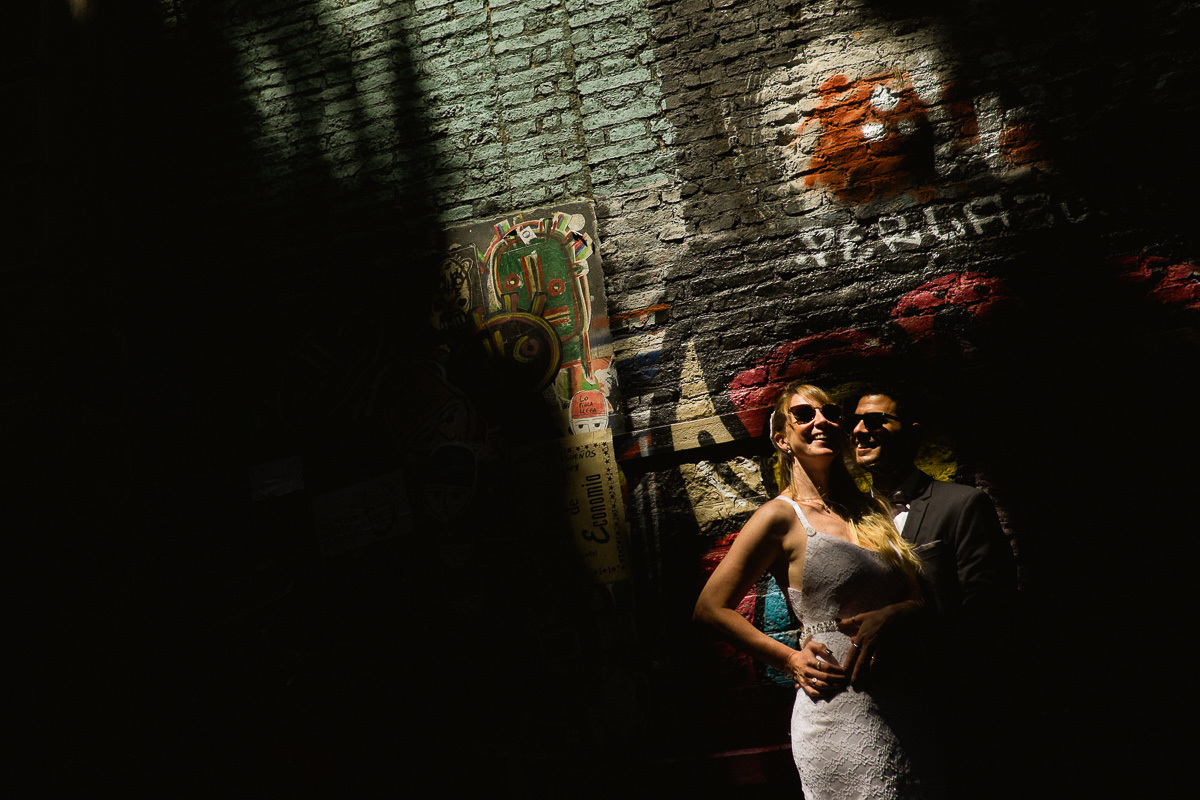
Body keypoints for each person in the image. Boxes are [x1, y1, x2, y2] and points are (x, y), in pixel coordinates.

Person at [693, 382, 944, 799]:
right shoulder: (779, 516)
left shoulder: (873, 510)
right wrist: (790, 658)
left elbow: (917, 598)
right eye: (804, 415)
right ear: (782, 439)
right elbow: (709, 608)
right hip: (836, 710)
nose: (821, 421)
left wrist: (894, 614)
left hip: (904, 703)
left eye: (830, 413)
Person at [843, 382, 1018, 798]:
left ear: (912, 431)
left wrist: (908, 616)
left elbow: (989, 609)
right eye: (855, 422)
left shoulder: (961, 504)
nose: (860, 431)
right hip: (873, 709)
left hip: (951, 705)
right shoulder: (845, 520)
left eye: (876, 420)